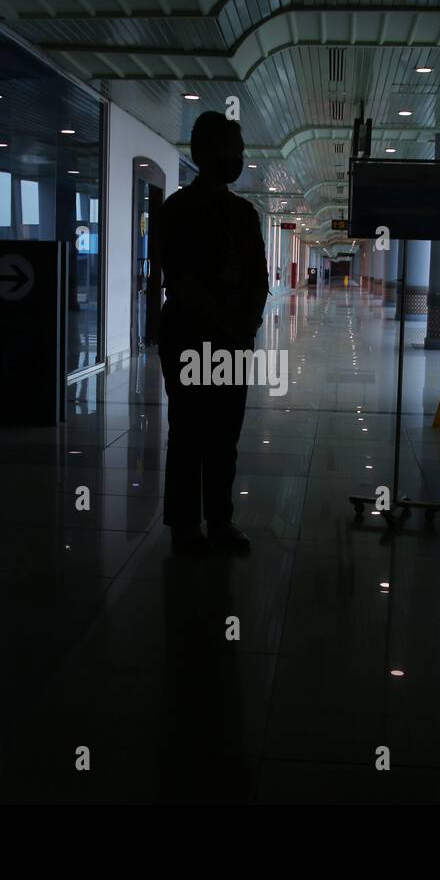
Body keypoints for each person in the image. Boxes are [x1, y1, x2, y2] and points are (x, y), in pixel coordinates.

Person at [154, 112, 269, 555]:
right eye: (233, 151)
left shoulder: (243, 213)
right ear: (205, 153)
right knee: (188, 431)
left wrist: (250, 322)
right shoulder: (177, 211)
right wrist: (227, 323)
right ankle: (185, 526)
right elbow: (180, 277)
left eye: (239, 152)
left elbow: (258, 275)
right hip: (190, 335)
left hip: (234, 340)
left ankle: (220, 521)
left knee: (225, 435)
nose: (238, 159)